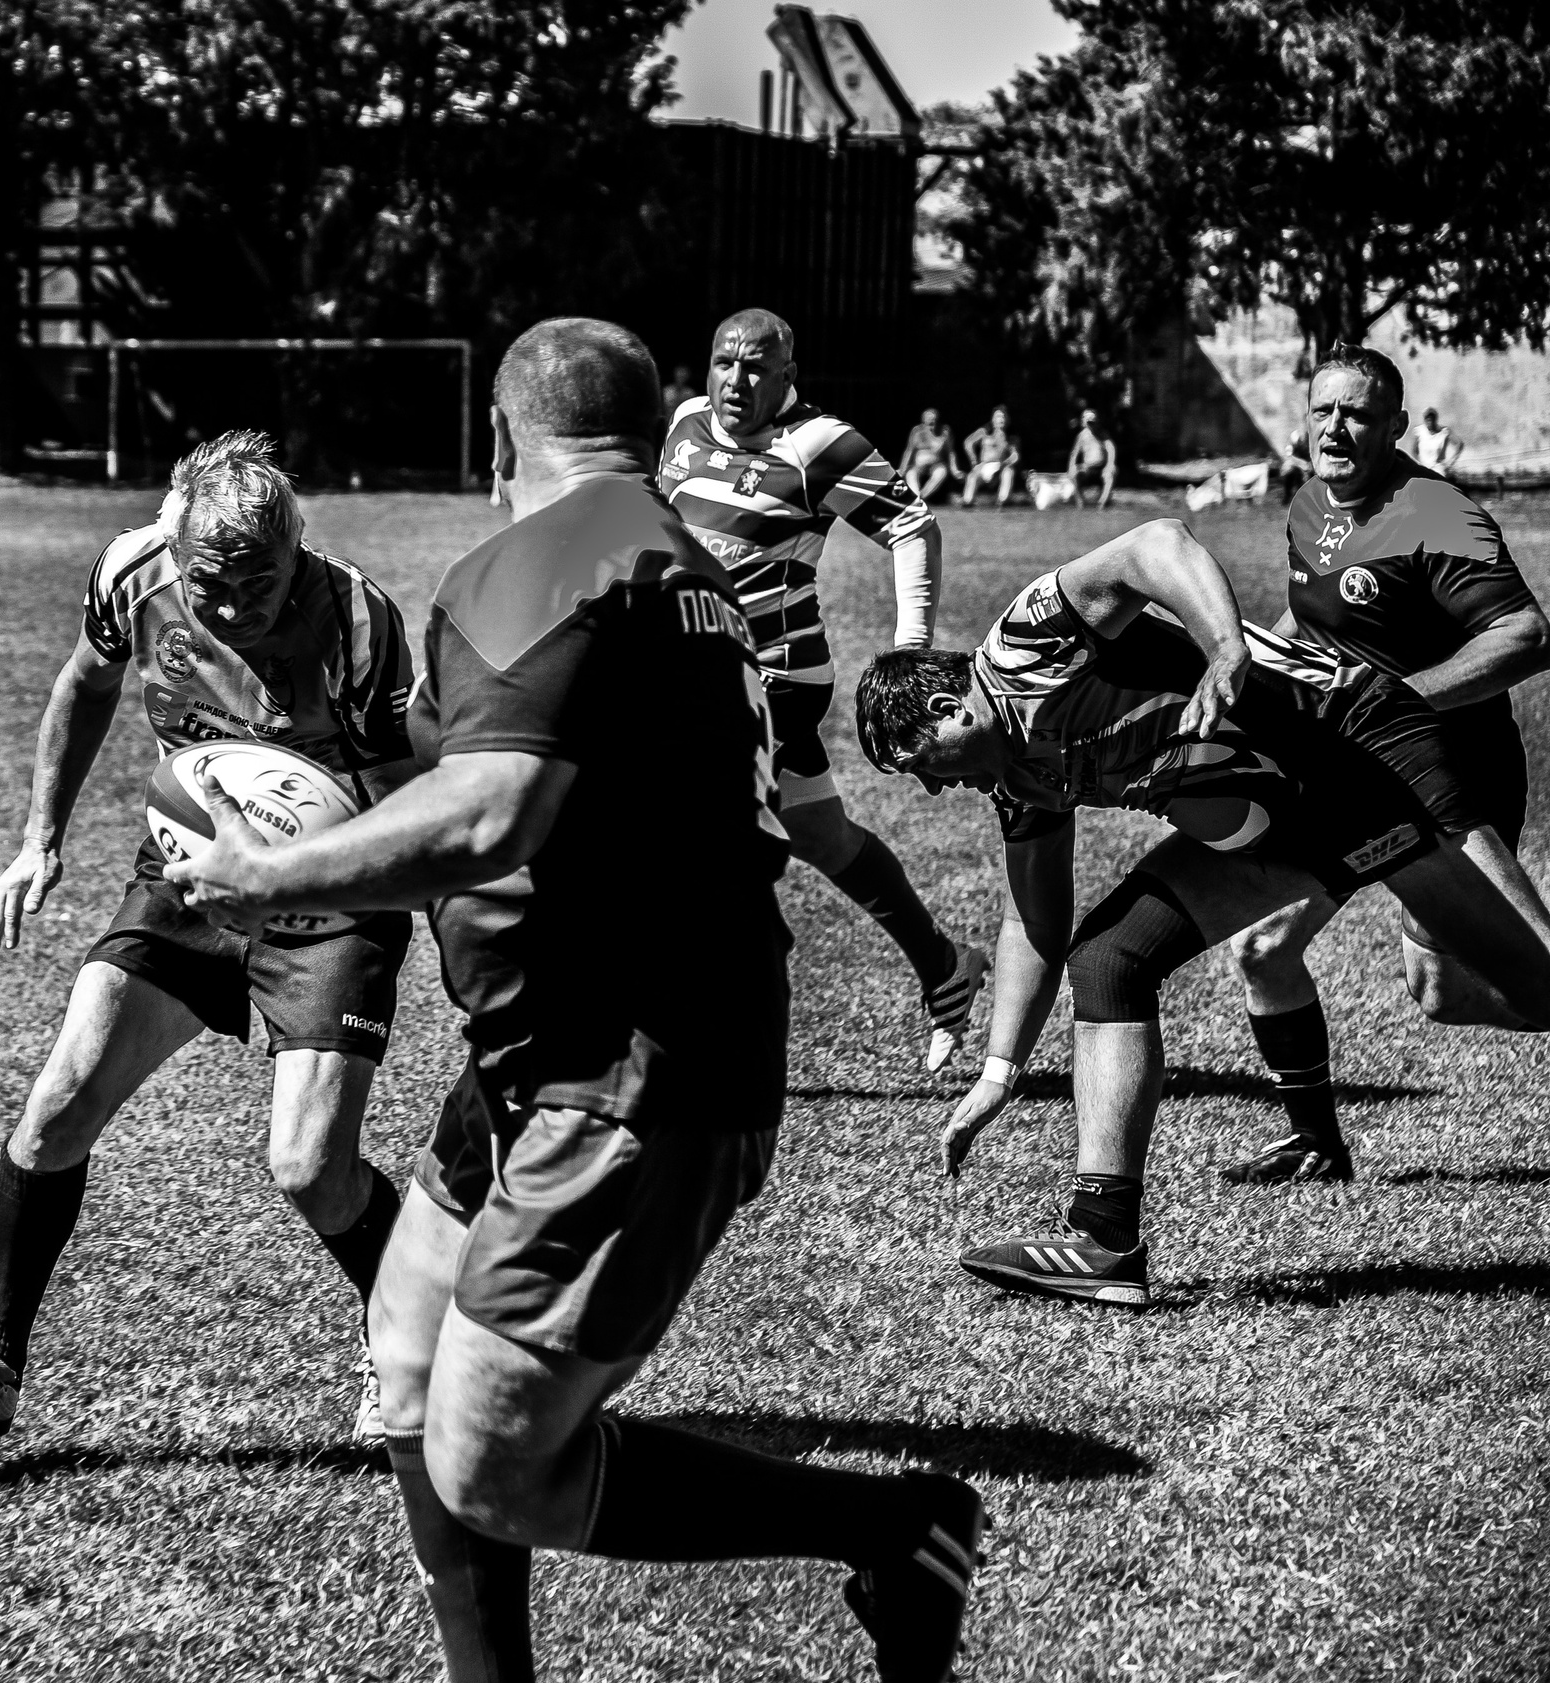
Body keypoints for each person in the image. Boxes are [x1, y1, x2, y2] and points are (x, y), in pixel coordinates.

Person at [166, 318, 987, 1683]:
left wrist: (273, 876)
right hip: (550, 1048)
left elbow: (495, 814)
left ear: (506, 437)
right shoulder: (684, 568)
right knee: (408, 1372)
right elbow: (529, 783)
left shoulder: (544, 559)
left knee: (493, 1464)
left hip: (632, 1074)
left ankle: (896, 1529)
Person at [855, 520, 1550, 1308]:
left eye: (921, 766)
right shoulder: (1018, 779)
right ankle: (1104, 1240)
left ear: (949, 708)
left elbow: (1155, 543)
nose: (933, 790)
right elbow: (1035, 922)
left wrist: (1225, 649)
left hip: (1360, 749)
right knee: (1109, 958)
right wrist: (998, 1072)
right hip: (1289, 815)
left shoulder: (1023, 649)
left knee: (1536, 984)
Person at [0, 429, 420, 1447]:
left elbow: (405, 796)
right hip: (181, 880)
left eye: (255, 585)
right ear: (175, 547)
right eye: (209, 586)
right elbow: (84, 684)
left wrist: (328, 883)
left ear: (297, 547)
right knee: (55, 1108)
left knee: (311, 1168)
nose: (229, 609)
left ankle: (399, 1343)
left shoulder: (354, 620)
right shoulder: (133, 570)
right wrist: (37, 840)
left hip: (330, 900)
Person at [1219, 345, 1550, 1183]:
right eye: (1325, 410)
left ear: (1396, 427)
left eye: (1360, 414)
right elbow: (1320, 622)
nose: (1338, 427)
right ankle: (1317, 1144)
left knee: (1507, 986)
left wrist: (1403, 700)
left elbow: (1525, 635)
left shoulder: (1436, 512)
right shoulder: (1306, 505)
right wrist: (1248, 660)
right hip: (1349, 780)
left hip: (1449, 782)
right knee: (1266, 949)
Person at [660, 309, 985, 1070]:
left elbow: (912, 527)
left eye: (755, 368)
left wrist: (911, 652)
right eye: (724, 363)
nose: (735, 381)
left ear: (788, 377)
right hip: (695, 673)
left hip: (771, 681)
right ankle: (945, 965)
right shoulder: (681, 424)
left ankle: (699, 1046)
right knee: (820, 836)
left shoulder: (818, 445)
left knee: (689, 843)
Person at [959, 408, 1021, 507]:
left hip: (1001, 466)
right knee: (972, 476)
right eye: (998, 416)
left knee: (1009, 472)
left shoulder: (1011, 436)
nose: (1001, 419)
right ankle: (968, 501)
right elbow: (968, 443)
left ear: (1007, 420)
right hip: (984, 466)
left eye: (1003, 417)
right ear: (993, 419)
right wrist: (974, 461)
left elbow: (1015, 456)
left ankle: (1002, 500)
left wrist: (1005, 463)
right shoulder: (984, 432)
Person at [901, 408, 958, 502]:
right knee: (910, 473)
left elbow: (951, 452)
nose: (931, 421)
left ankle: (922, 497)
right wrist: (902, 469)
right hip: (918, 466)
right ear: (923, 420)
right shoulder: (917, 431)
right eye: (929, 419)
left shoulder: (944, 432)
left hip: (937, 465)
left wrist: (955, 470)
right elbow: (909, 451)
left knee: (941, 472)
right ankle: (915, 497)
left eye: (934, 419)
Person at [1067, 409, 1117, 509]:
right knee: (1074, 472)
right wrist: (1071, 466)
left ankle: (1102, 503)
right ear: (1083, 422)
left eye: (1093, 421)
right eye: (1088, 421)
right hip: (1087, 468)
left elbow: (1111, 449)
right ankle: (1080, 501)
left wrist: (1110, 464)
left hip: (1101, 468)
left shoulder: (1103, 434)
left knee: (1110, 473)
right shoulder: (1082, 436)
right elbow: (1074, 454)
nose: (1091, 424)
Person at [1408, 406, 1464, 475]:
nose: (1430, 422)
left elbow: (1459, 444)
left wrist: (1449, 463)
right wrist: (1419, 463)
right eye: (1427, 419)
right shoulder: (1419, 431)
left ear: (1436, 419)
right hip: (1422, 468)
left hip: (1438, 470)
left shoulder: (1444, 432)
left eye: (1432, 419)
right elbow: (1414, 451)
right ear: (1424, 420)